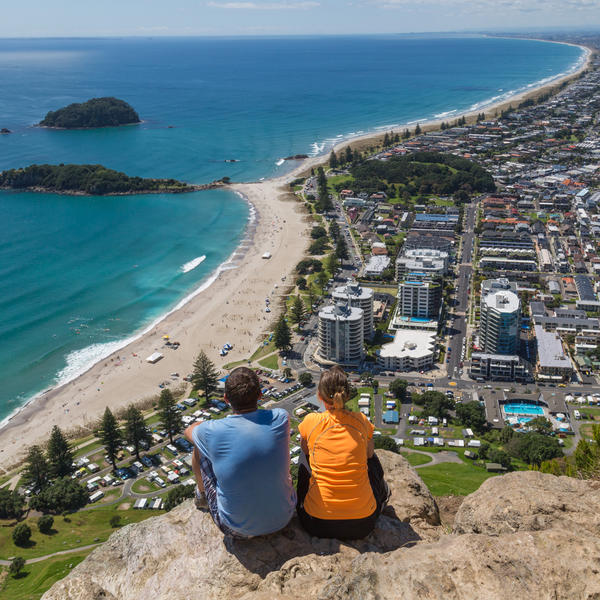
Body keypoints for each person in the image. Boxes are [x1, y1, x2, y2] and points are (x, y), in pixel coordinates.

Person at [185, 367, 296, 538]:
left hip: (237, 530)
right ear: (260, 395)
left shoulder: (212, 432)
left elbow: (189, 431)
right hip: (284, 518)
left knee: (200, 447)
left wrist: (207, 425)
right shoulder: (281, 418)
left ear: (226, 398)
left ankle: (202, 496)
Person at [296, 366, 390, 540]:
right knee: (371, 457)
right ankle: (383, 493)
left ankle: (303, 500)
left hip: (316, 523)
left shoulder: (311, 421)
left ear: (319, 396)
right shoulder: (360, 421)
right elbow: (369, 455)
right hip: (363, 523)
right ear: (347, 395)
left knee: (304, 455)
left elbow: (305, 450)